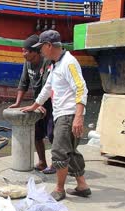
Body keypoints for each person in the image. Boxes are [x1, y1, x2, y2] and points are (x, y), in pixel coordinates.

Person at [21, 30, 91, 201]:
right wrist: (35, 105)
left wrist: (78, 117)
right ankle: (82, 185)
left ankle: (59, 189)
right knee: (71, 152)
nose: (41, 52)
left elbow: (81, 88)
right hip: (62, 114)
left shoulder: (69, 63)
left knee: (59, 152)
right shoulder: (56, 64)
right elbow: (47, 88)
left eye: (41, 48)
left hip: (68, 115)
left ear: (49, 46)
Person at [9, 34, 56, 174]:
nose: (23, 54)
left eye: (26, 51)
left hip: (51, 102)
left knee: (53, 134)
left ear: (35, 52)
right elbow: (23, 82)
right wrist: (17, 103)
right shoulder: (27, 63)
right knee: (37, 133)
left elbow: (47, 86)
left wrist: (39, 104)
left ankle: (55, 164)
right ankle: (42, 161)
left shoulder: (47, 62)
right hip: (38, 102)